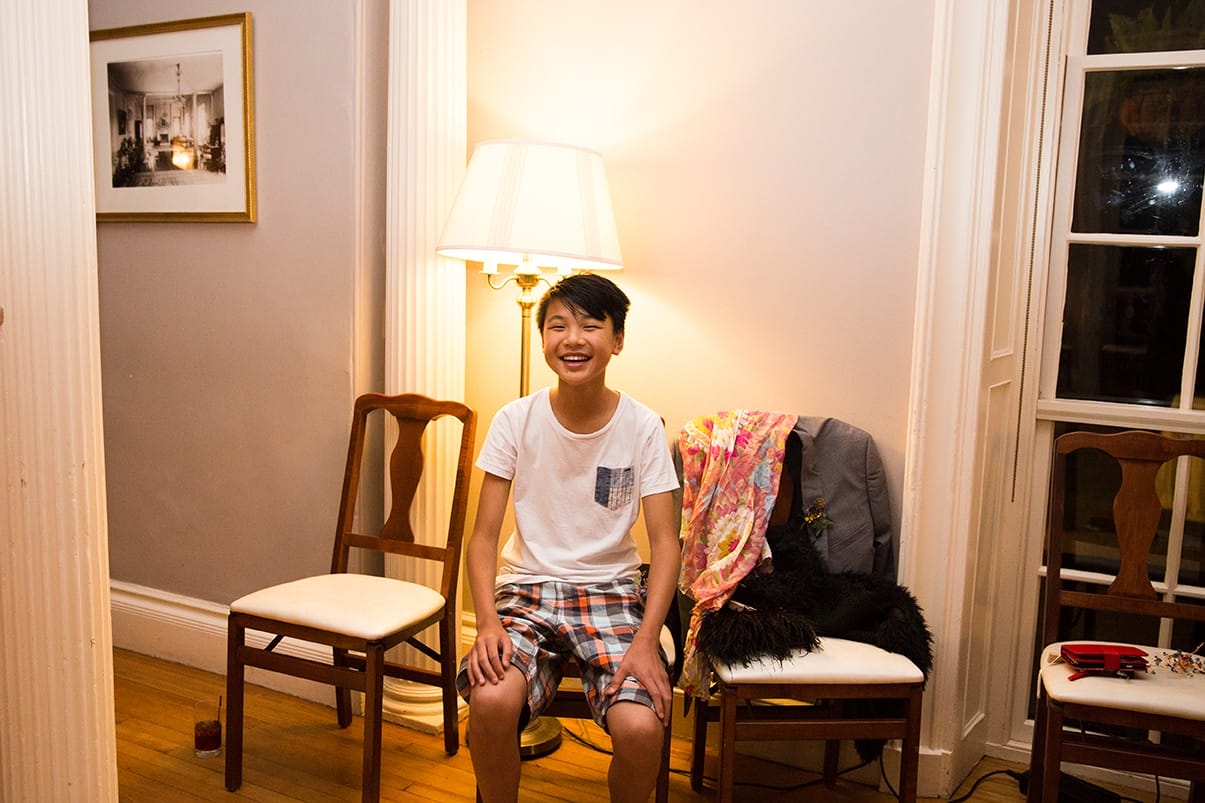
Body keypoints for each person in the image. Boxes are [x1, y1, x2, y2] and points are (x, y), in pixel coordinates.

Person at [458, 272, 680, 803]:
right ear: (543, 341)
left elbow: (667, 545)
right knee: (490, 702)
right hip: (526, 590)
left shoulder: (643, 426)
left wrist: (647, 641)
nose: (573, 339)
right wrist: (486, 621)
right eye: (558, 325)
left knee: (641, 728)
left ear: (617, 340)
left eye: (590, 325)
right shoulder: (515, 419)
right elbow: (483, 537)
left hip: (611, 594)